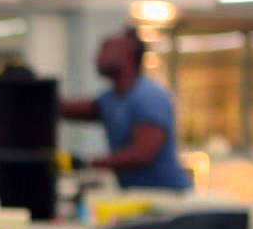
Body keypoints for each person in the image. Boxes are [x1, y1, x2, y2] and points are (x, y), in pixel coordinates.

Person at [61, 27, 191, 190]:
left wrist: (89, 162)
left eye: (106, 49)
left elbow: (142, 154)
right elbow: (66, 109)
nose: (97, 57)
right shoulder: (111, 99)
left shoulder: (149, 96)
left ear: (128, 53)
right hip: (135, 192)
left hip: (166, 194)